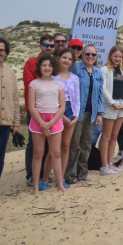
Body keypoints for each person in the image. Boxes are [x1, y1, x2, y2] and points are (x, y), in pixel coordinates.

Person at [28, 54, 66, 194]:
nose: (47, 68)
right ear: (39, 67)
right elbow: (32, 107)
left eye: (49, 65)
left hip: (54, 120)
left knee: (56, 153)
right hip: (39, 120)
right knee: (38, 153)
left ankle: (59, 184)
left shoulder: (58, 84)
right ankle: (36, 187)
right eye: (44, 65)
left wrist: (50, 123)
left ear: (53, 67)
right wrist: (43, 124)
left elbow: (62, 107)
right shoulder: (34, 84)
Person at [66, 45, 104, 184]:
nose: (90, 57)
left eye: (93, 55)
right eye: (87, 54)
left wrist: (100, 113)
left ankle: (82, 174)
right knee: (74, 144)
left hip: (92, 113)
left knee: (86, 144)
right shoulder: (75, 68)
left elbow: (100, 95)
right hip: (77, 114)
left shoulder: (98, 72)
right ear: (82, 54)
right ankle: (71, 175)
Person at [23, 33, 54, 186]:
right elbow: (30, 83)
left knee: (48, 144)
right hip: (34, 110)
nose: (49, 48)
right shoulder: (30, 63)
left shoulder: (54, 63)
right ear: (40, 46)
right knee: (33, 144)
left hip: (51, 111)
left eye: (51, 45)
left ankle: (44, 175)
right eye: (46, 45)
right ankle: (31, 175)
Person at [0, 38, 20, 202]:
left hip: (5, 124)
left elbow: (15, 101)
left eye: (1, 50)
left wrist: (17, 123)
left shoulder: (11, 73)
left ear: (6, 52)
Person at [99, 46, 123, 175]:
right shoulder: (104, 70)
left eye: (120, 57)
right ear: (111, 55)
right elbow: (103, 88)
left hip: (122, 105)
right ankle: (104, 166)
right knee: (106, 136)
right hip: (110, 105)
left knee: (114, 136)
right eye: (115, 56)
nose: (117, 59)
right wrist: (112, 103)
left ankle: (110, 163)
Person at [51, 48, 79, 188]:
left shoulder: (74, 78)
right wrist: (60, 116)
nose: (66, 60)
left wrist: (75, 116)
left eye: (69, 59)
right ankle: (48, 177)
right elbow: (52, 99)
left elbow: (77, 99)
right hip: (56, 112)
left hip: (71, 112)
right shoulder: (53, 77)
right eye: (64, 57)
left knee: (66, 146)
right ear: (59, 58)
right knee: (54, 148)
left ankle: (61, 177)